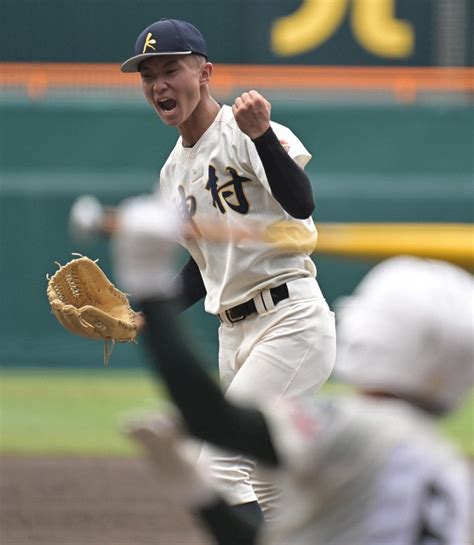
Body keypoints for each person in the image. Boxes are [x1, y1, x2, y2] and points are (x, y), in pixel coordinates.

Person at [114, 206, 473, 545]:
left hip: (283, 322)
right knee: (267, 484)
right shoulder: (450, 475)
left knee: (232, 467)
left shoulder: (361, 431)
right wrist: (200, 493)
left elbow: (211, 418)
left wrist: (151, 287)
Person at [106, 17, 336, 520]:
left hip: (289, 319)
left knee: (220, 464)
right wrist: (148, 311)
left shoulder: (246, 129)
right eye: (148, 76)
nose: (159, 84)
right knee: (268, 483)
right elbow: (200, 266)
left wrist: (264, 138)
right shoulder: (173, 172)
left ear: (205, 72)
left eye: (171, 70)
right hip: (233, 333)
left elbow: (300, 203)